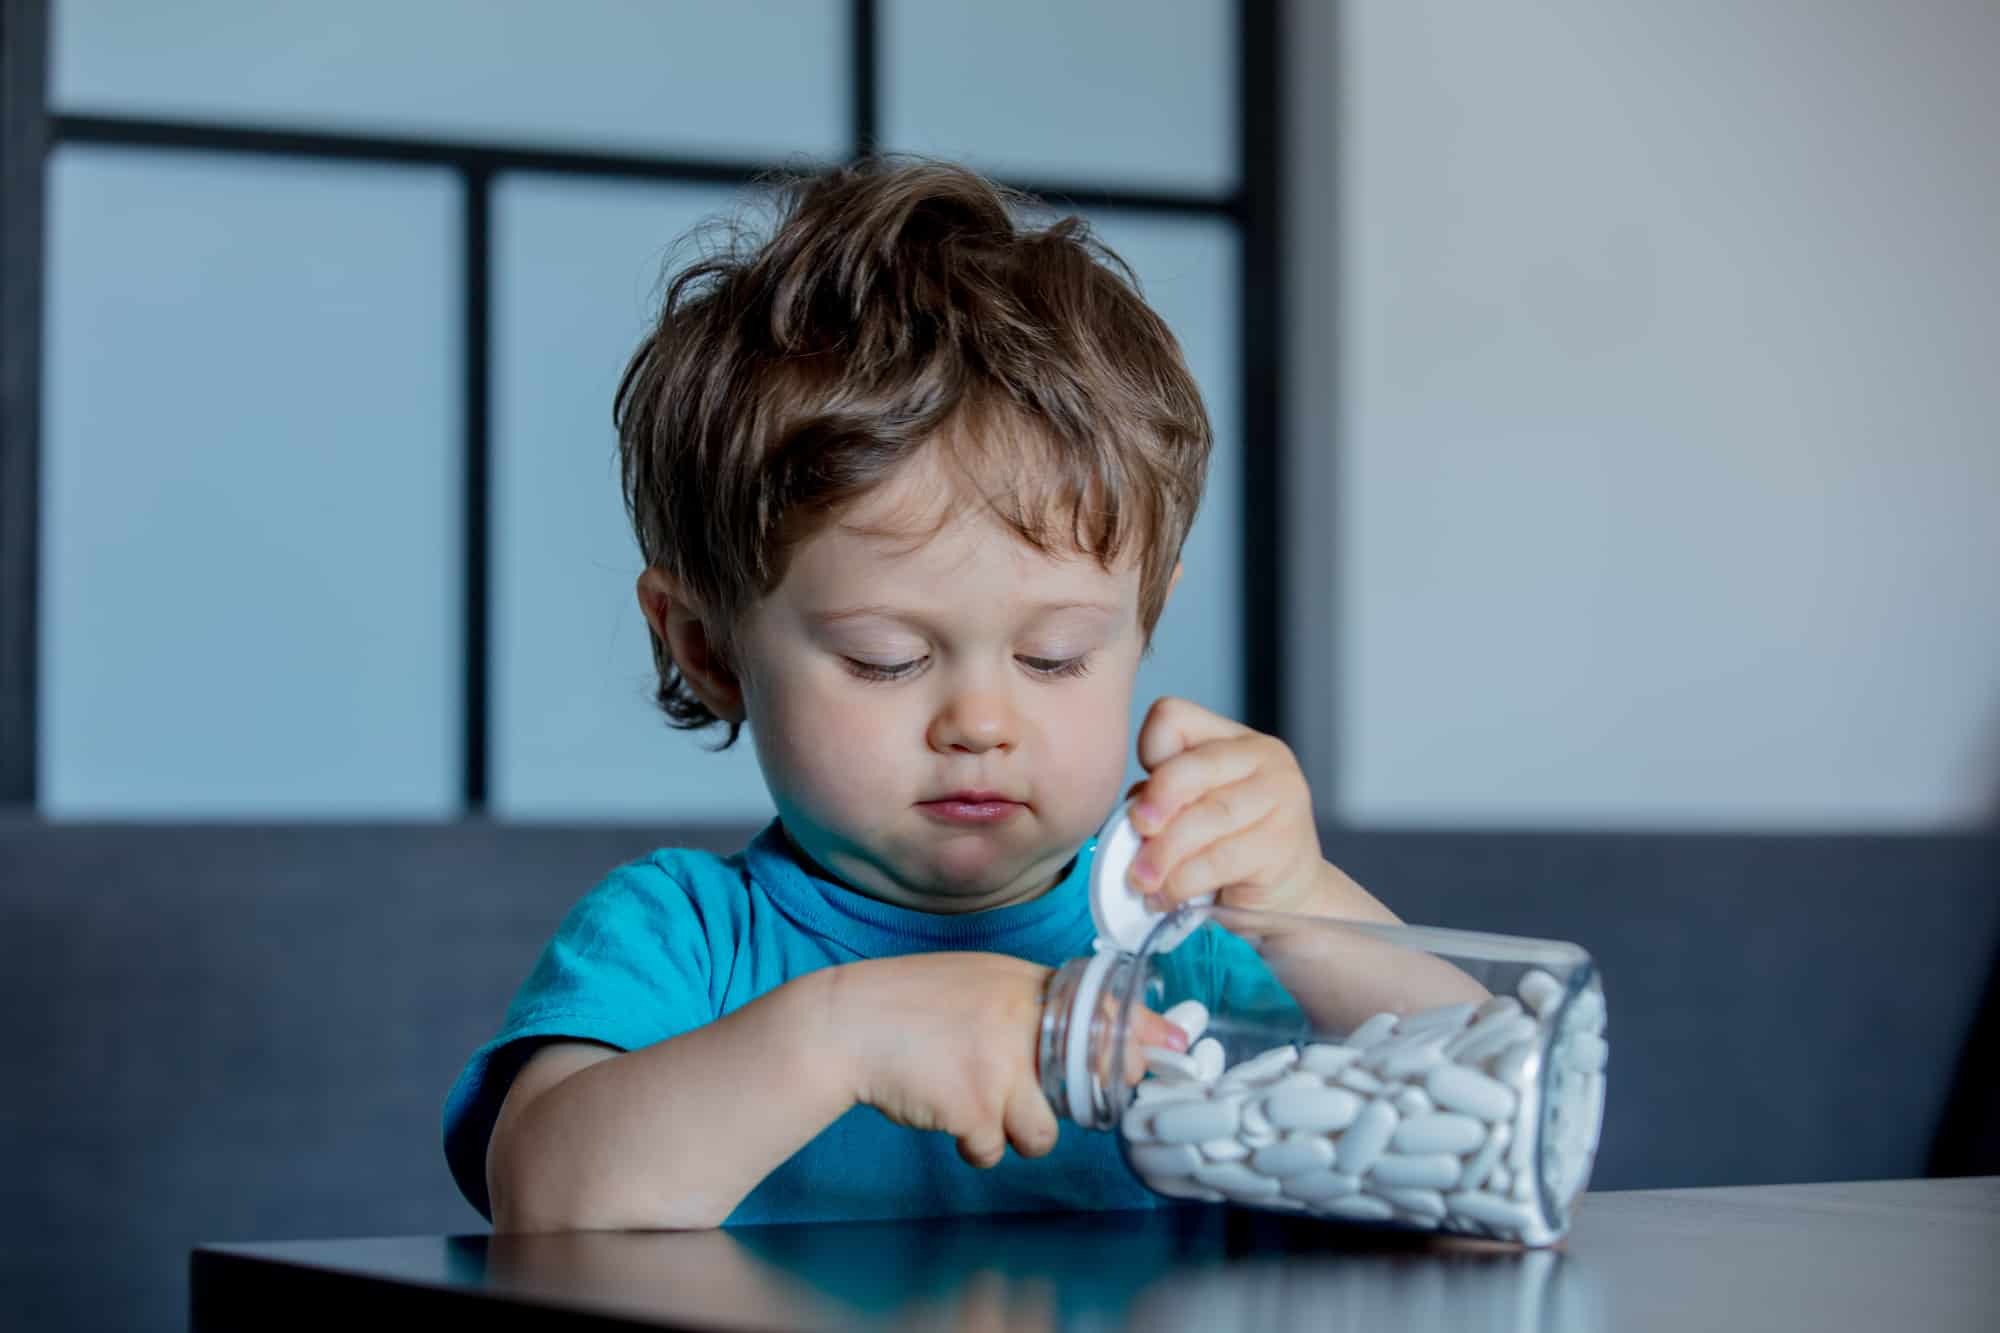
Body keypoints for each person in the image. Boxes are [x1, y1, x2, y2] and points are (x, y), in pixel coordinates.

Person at [443, 156, 1407, 1233]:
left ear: (1143, 626)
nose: (981, 724)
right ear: (708, 650)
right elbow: (546, 1200)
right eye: (885, 659)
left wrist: (1311, 906)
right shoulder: (684, 940)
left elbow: (1491, 1136)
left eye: (1053, 657)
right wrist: (840, 1034)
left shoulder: (1194, 943)